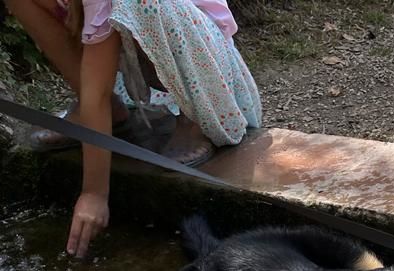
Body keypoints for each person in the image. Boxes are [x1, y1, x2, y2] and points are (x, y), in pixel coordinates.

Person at [3, 0, 261, 257]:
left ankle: (193, 117)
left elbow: (98, 93)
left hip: (209, 63)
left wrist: (94, 193)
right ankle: (106, 116)